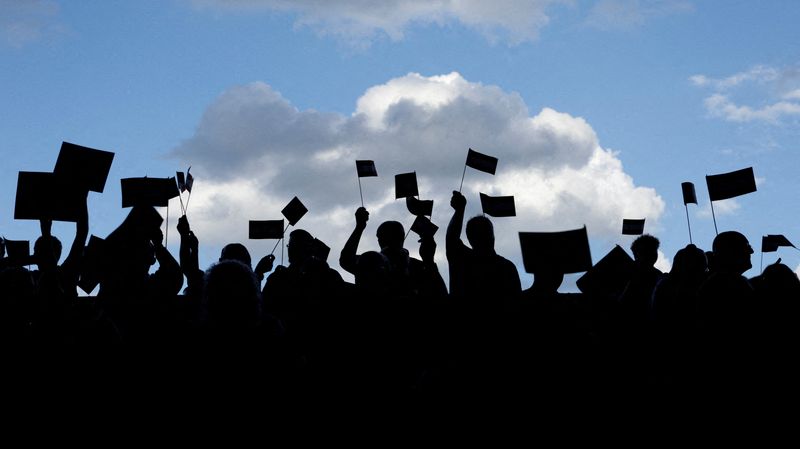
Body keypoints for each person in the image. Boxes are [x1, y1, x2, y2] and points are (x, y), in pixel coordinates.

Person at [339, 207, 447, 298]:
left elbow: (346, 259)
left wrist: (359, 227)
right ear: (403, 238)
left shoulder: (370, 262)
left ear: (379, 240)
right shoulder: (418, 266)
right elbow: (442, 295)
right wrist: (429, 260)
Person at [445, 191, 520, 300]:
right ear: (493, 236)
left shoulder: (462, 259)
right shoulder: (506, 267)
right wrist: (460, 210)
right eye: (483, 233)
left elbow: (451, 238)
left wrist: (459, 210)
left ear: (470, 239)